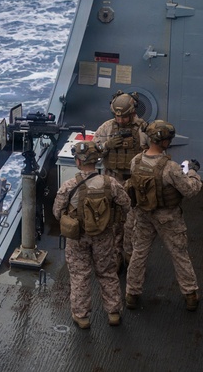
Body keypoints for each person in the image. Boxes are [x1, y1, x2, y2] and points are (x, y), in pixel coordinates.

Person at [124, 120, 202, 311]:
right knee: (179, 254)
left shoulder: (136, 161)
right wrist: (193, 172)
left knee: (139, 253)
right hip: (168, 218)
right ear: (165, 142)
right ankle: (190, 295)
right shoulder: (171, 167)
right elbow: (190, 190)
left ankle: (131, 294)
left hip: (143, 214)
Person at [53, 141, 131, 329]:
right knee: (107, 273)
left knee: (80, 275)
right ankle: (113, 313)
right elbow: (126, 204)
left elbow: (57, 212)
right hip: (104, 236)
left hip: (78, 238)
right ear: (97, 161)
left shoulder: (69, 186)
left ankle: (82, 317)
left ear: (78, 162)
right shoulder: (110, 183)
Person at [94, 91, 149, 265]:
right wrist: (107, 145)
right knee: (113, 221)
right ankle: (115, 257)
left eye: (124, 117)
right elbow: (92, 152)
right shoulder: (107, 128)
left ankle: (131, 259)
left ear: (133, 113)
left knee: (133, 223)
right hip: (112, 179)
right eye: (117, 116)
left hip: (134, 182)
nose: (120, 120)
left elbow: (155, 154)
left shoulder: (144, 129)